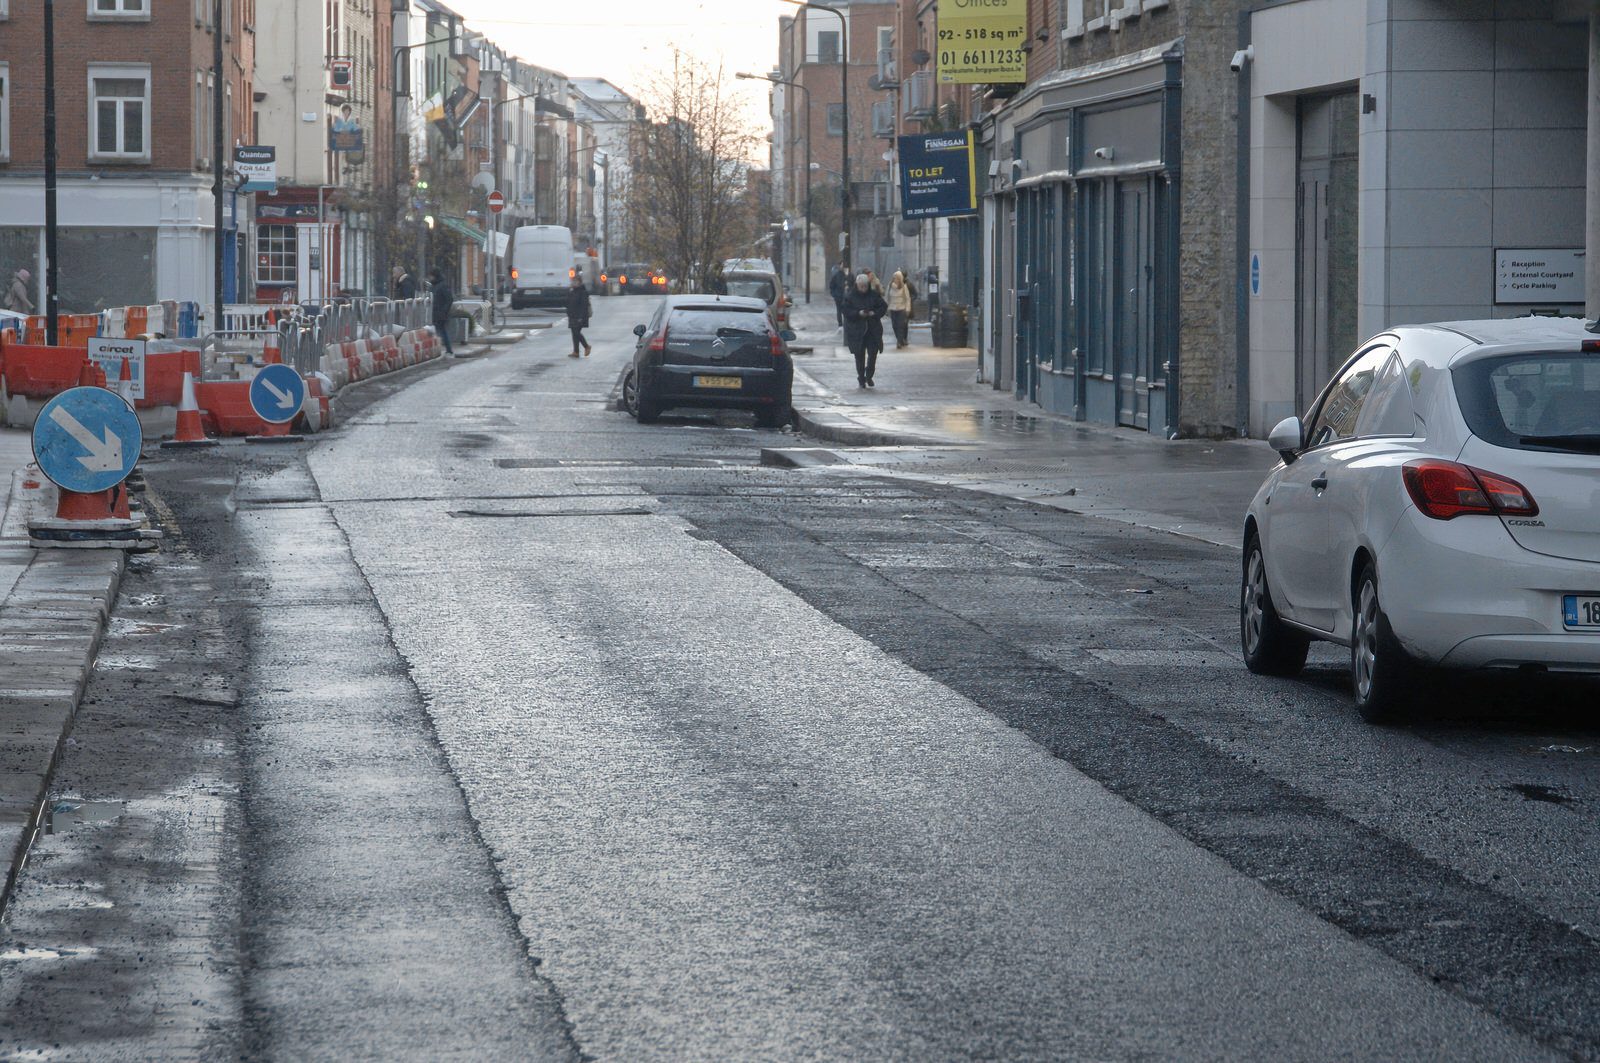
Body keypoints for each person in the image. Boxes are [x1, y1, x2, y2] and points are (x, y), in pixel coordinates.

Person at [841, 273, 887, 389]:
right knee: (859, 356)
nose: (863, 288)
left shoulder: (874, 295)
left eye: (865, 286)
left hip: (872, 330)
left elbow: (883, 306)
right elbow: (846, 311)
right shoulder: (850, 296)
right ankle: (861, 378)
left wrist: (874, 313)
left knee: (873, 355)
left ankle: (869, 375)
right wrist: (858, 313)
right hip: (857, 331)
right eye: (861, 286)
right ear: (857, 285)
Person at [428, 268, 455, 355]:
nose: (429, 278)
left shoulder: (442, 286)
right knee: (437, 331)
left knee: (442, 331)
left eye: (431, 276)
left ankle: (448, 349)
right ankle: (439, 349)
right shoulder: (433, 286)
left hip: (440, 313)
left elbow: (449, 299)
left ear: (434, 276)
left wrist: (444, 311)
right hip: (435, 312)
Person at [565, 273, 592, 358]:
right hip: (573, 315)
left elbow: (584, 306)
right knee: (574, 333)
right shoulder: (572, 291)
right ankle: (576, 351)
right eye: (572, 281)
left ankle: (586, 346)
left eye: (574, 282)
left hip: (580, 316)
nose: (573, 283)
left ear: (579, 282)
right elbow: (567, 302)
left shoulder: (583, 292)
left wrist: (581, 317)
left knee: (576, 332)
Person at [887, 270, 913, 349]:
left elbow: (907, 298)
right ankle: (900, 339)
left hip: (901, 308)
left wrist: (908, 309)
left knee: (900, 325)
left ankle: (899, 341)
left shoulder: (904, 287)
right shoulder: (890, 286)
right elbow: (887, 297)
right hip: (892, 308)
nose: (896, 280)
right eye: (894, 278)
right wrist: (886, 307)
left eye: (897, 278)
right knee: (894, 326)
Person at [827, 261, 849, 328]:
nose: (843, 267)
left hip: (848, 297)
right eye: (842, 265)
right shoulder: (836, 275)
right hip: (839, 297)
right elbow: (831, 286)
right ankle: (840, 325)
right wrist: (834, 294)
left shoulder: (849, 275)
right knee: (839, 311)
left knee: (847, 310)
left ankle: (847, 324)